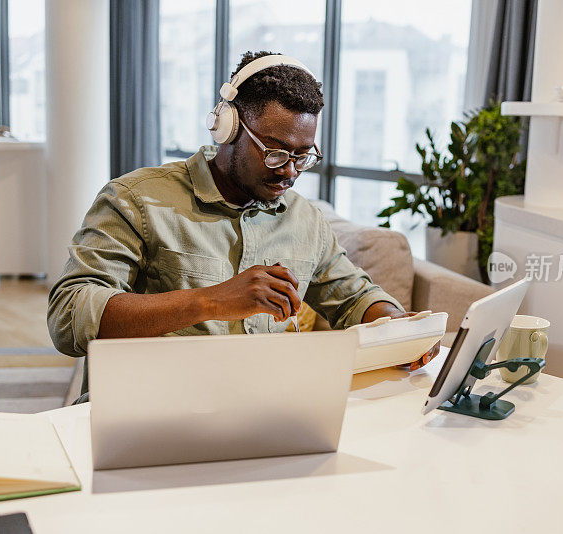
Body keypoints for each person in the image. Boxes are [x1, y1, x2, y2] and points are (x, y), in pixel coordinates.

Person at [47, 51, 439, 394]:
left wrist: (399, 330)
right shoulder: (136, 200)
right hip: (150, 409)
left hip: (262, 411)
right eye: (274, 152)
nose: (288, 171)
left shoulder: (304, 220)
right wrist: (210, 301)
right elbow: (69, 315)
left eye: (302, 156)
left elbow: (355, 297)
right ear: (228, 127)